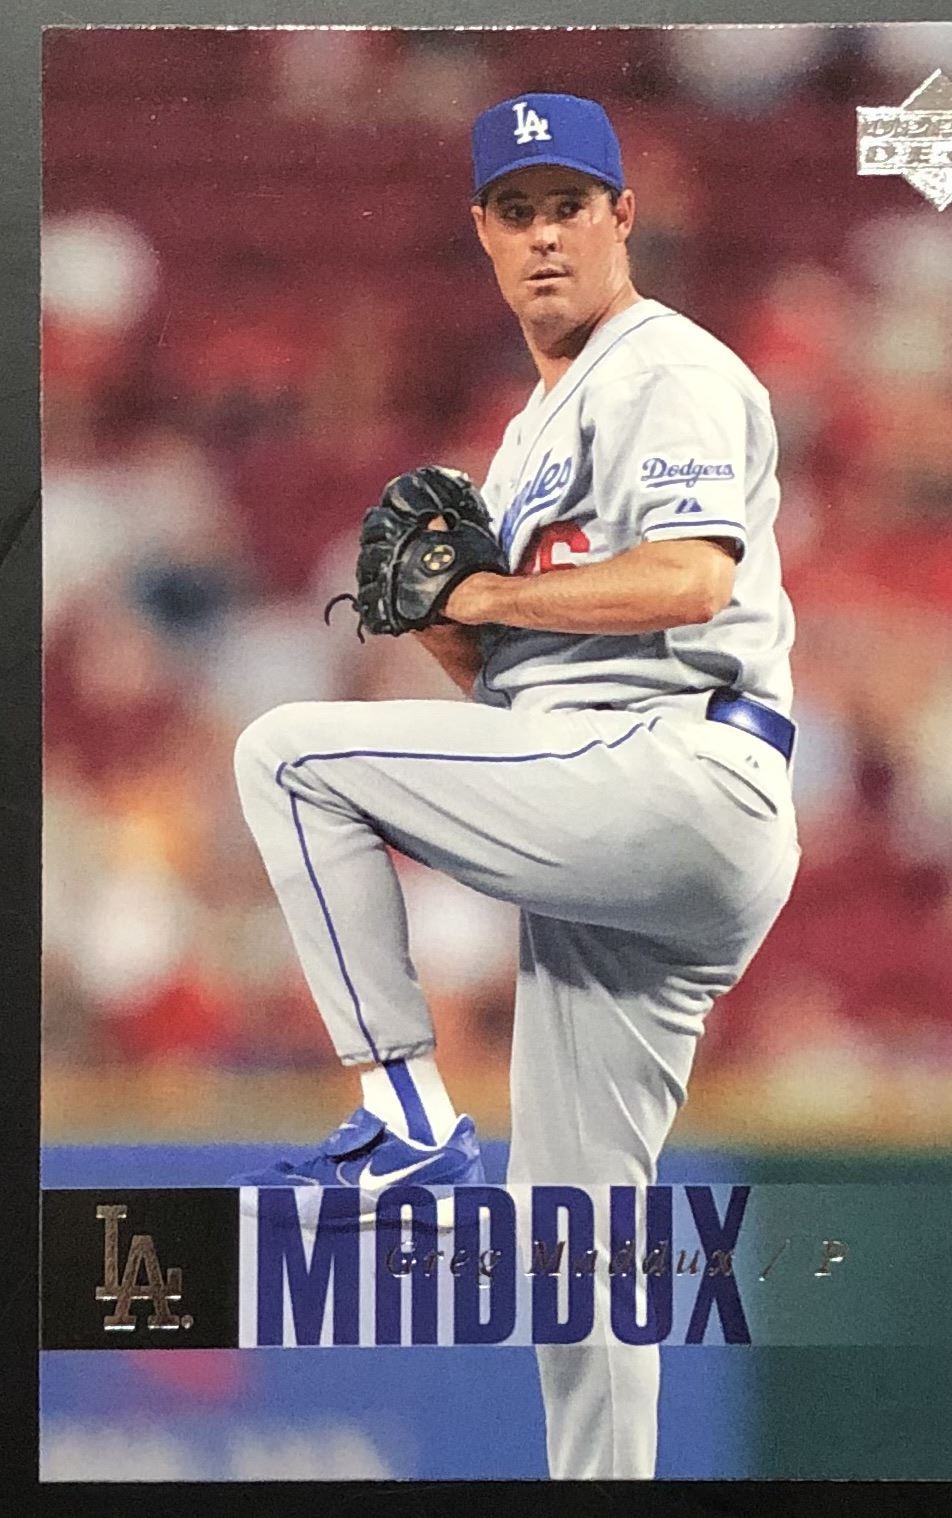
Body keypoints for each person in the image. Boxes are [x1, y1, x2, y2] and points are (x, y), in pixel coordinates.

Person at [231, 91, 799, 1481]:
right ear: (482, 234)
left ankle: (407, 1117)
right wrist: (448, 629)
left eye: (569, 207)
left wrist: (482, 593)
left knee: (287, 754)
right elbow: (520, 690)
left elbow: (692, 577)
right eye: (516, 211)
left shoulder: (666, 364)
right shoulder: (531, 429)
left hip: (680, 766)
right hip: (610, 802)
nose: (545, 236)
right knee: (574, 1235)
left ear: (622, 216)